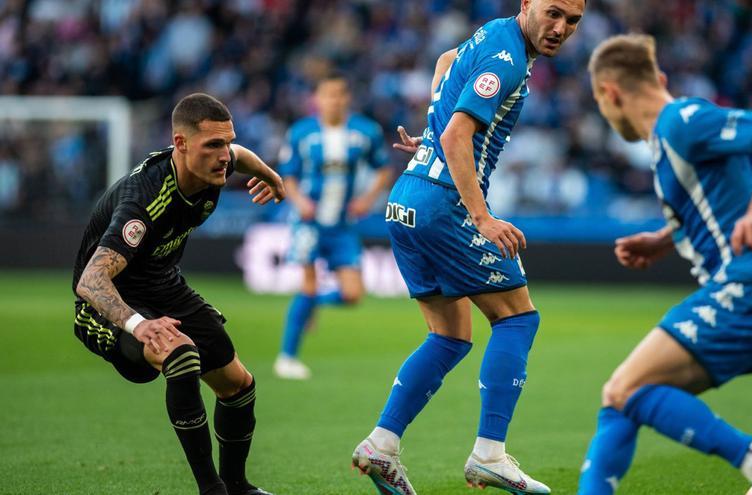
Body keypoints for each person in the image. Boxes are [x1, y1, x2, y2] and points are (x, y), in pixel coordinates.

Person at [577, 34, 752, 495]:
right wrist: (664, 239)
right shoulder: (671, 145)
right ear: (659, 78)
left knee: (624, 390)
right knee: (621, 398)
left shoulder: (681, 119)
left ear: (609, 94)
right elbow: (722, 198)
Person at [350, 1, 585, 493]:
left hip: (407, 199)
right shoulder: (510, 59)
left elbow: (444, 63)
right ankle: (490, 455)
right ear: (527, 5)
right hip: (445, 206)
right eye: (553, 13)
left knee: (450, 336)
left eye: (573, 20)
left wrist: (433, 139)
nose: (560, 28)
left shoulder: (495, 32)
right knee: (518, 317)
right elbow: (459, 131)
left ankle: (381, 445)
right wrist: (482, 216)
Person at [72, 93, 284, 495]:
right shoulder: (145, 200)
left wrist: (270, 176)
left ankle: (237, 486)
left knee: (238, 384)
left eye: (226, 142)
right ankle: (212, 489)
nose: (224, 156)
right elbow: (92, 280)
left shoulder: (212, 163)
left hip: (165, 286)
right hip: (109, 304)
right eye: (213, 146)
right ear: (180, 144)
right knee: (180, 353)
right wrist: (139, 325)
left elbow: (240, 154)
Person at [273, 72, 392, 380]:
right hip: (309, 222)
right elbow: (289, 175)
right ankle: (287, 358)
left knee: (353, 294)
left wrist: (368, 200)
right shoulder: (301, 133)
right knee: (309, 284)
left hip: (342, 225)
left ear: (347, 98)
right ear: (317, 99)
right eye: (327, 94)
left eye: (339, 94)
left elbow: (383, 170)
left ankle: (311, 305)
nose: (334, 100)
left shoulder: (365, 131)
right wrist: (299, 202)